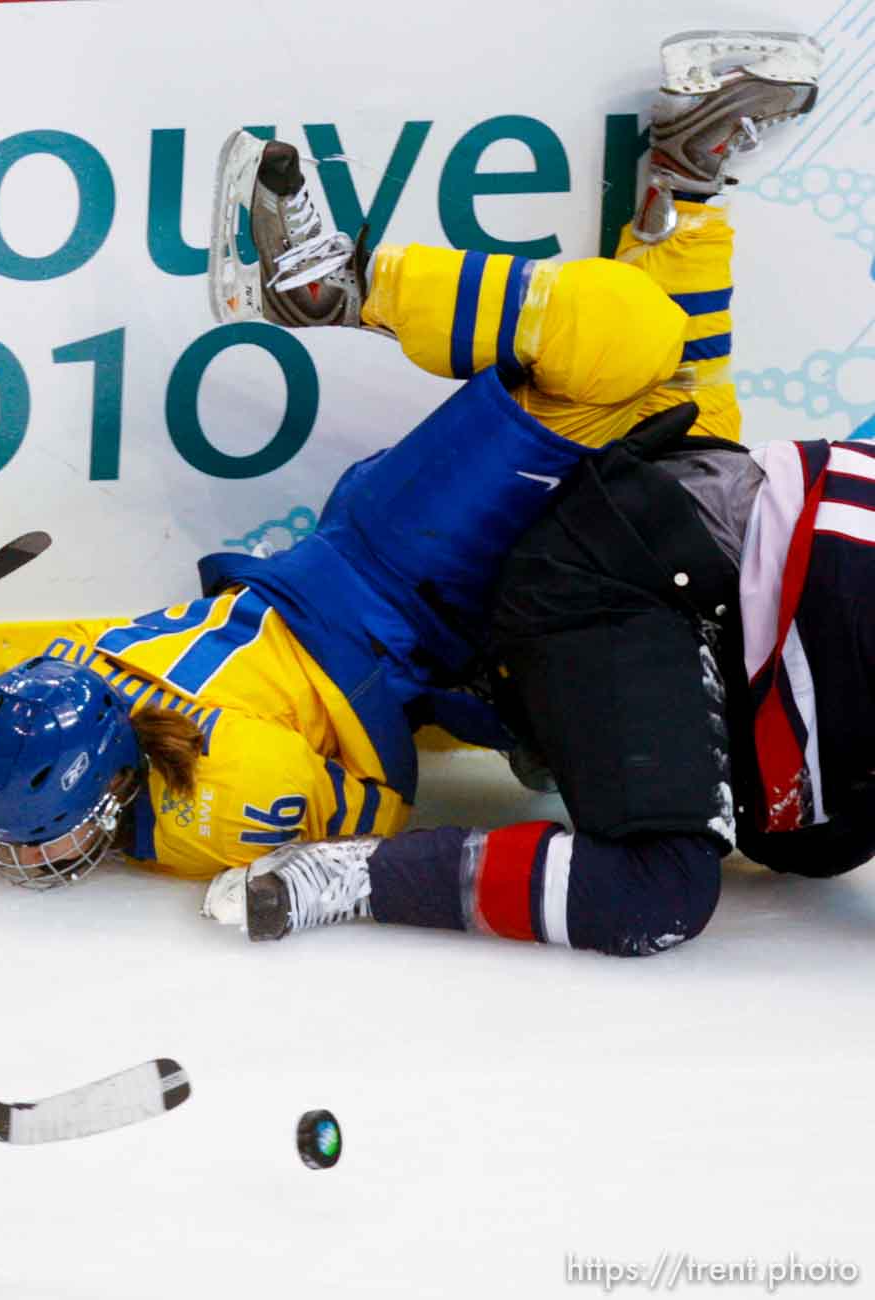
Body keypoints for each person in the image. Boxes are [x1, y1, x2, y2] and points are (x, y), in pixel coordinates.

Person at [0, 77, 721, 895]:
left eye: (32, 839)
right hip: (471, 637)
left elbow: (7, 725)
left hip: (402, 567)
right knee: (697, 436)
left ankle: (335, 287)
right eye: (33, 843)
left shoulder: (156, 767)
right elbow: (381, 807)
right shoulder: (162, 767)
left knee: (625, 340)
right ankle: (684, 184)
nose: (22, 860)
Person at [203, 29, 842, 958]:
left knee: (640, 351)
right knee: (685, 412)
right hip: (567, 561)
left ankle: (352, 282)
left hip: (451, 583)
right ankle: (672, 190)